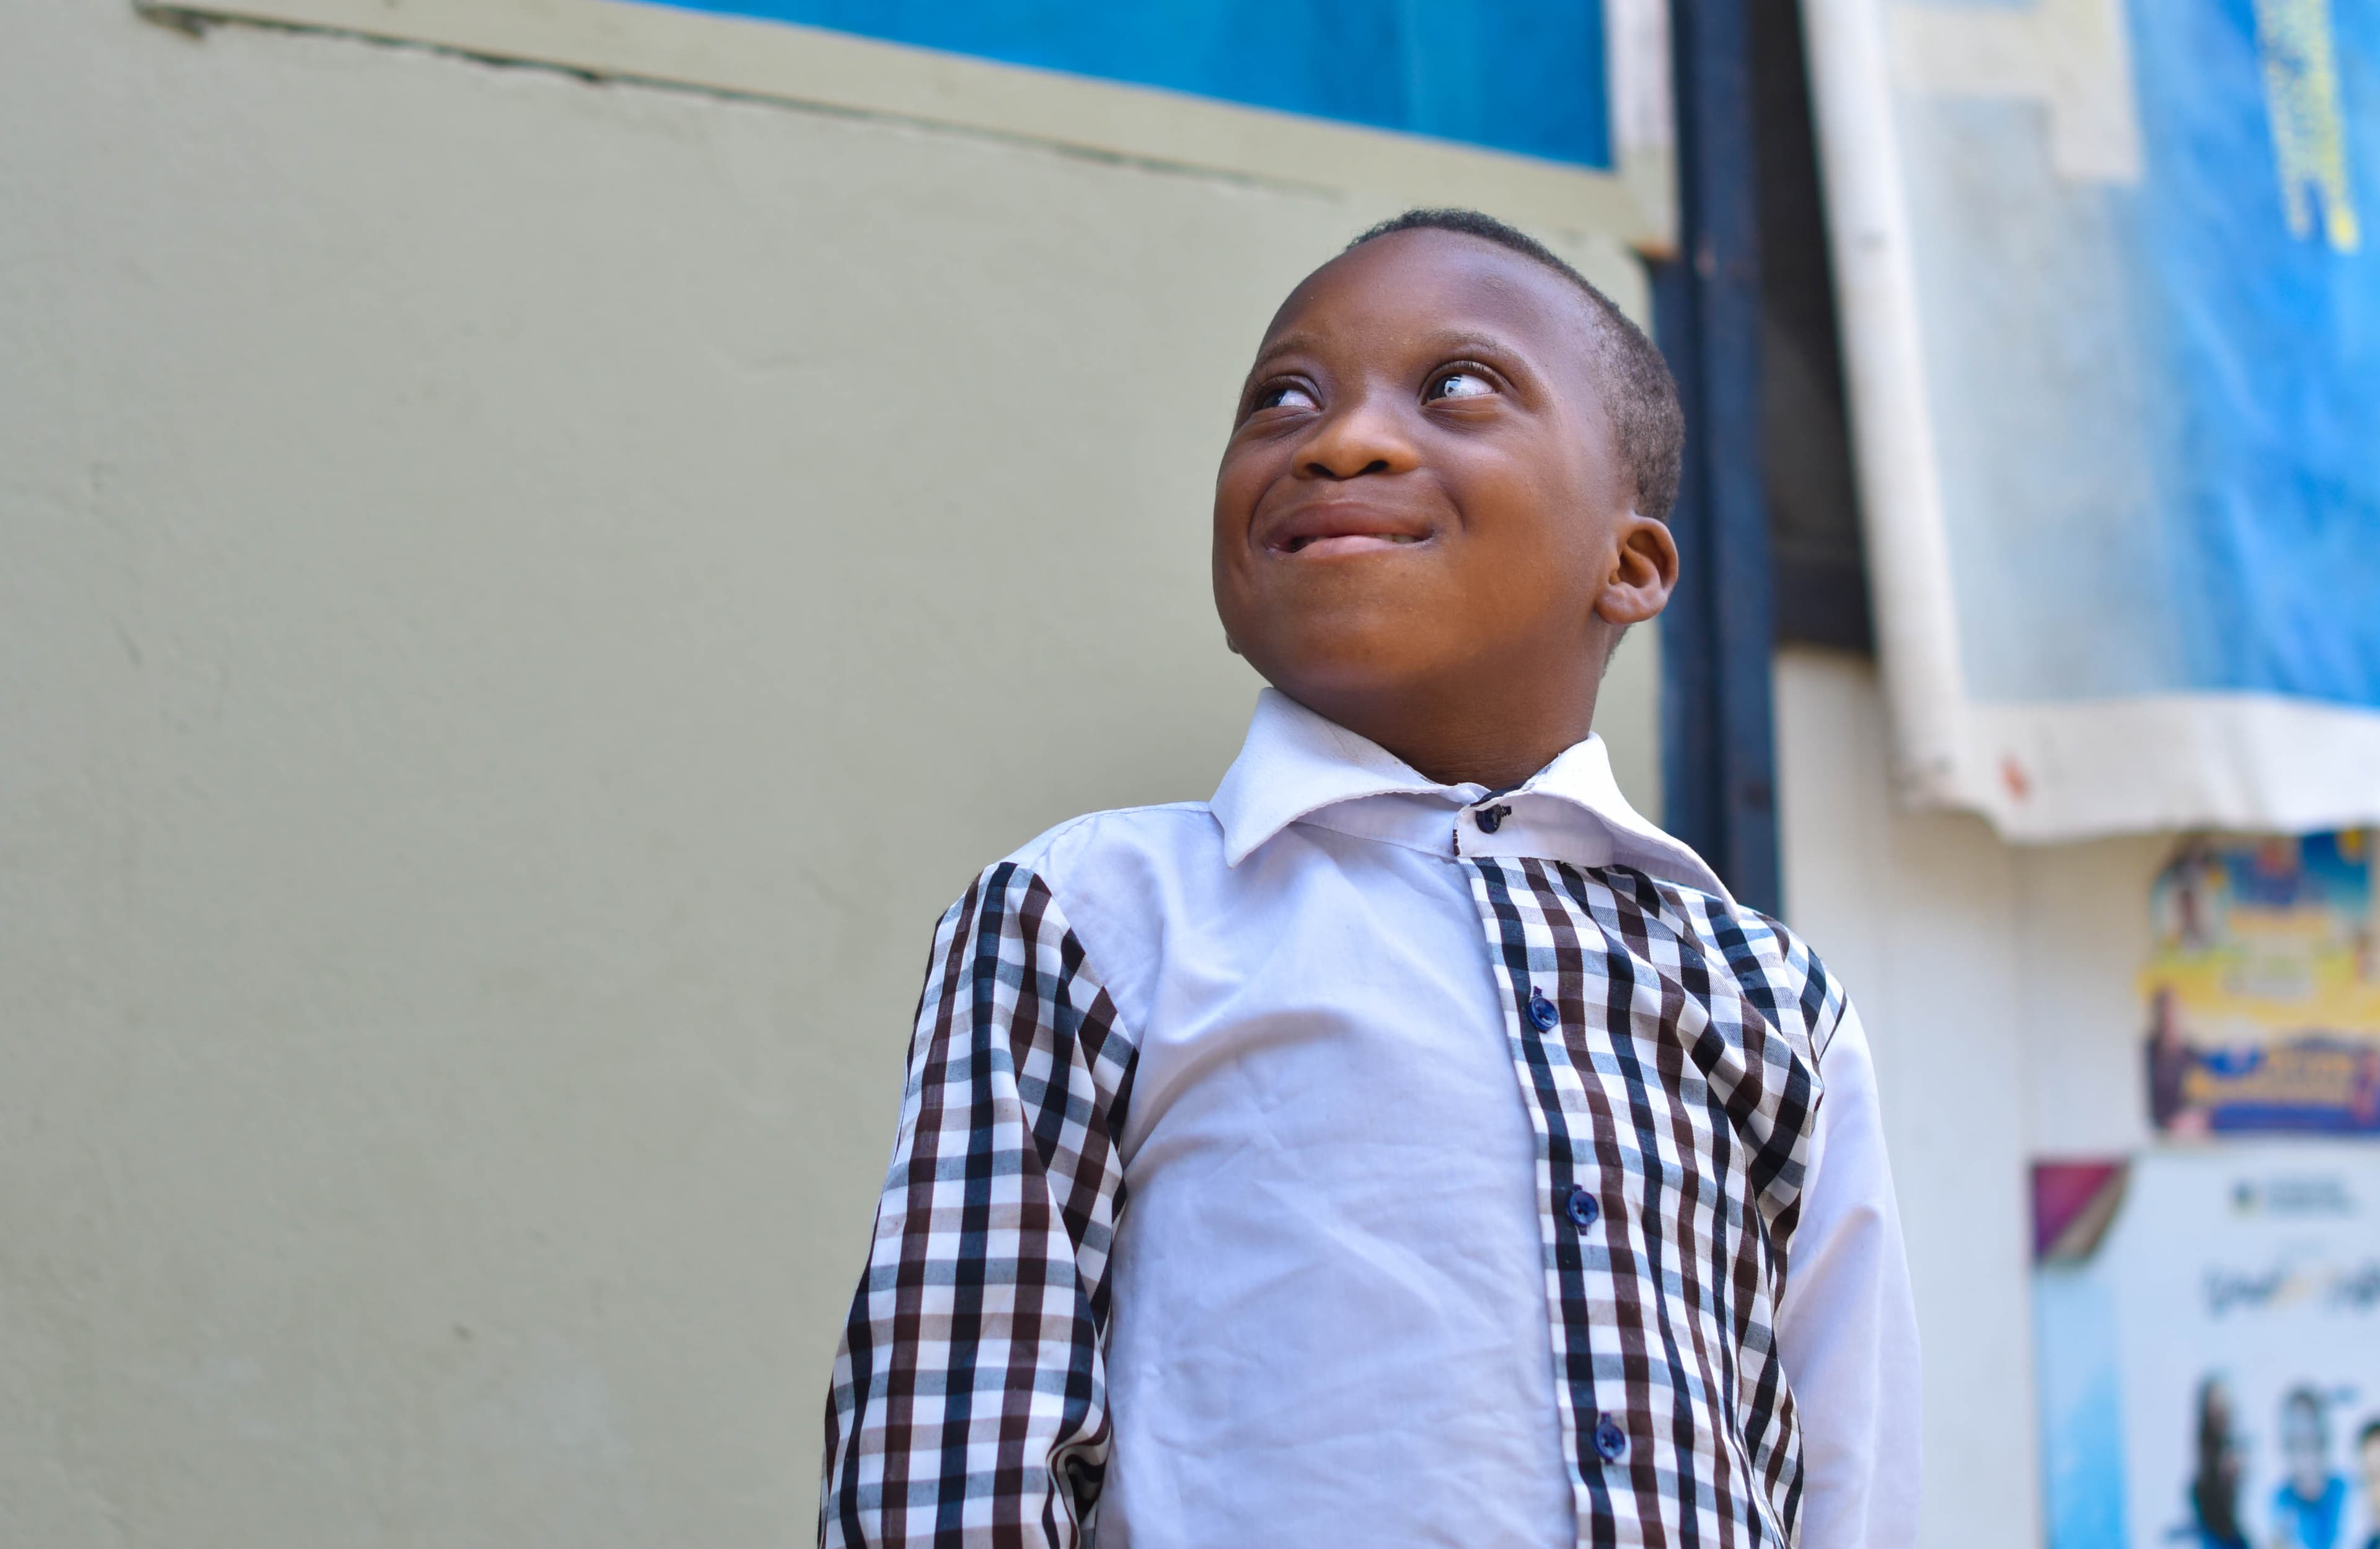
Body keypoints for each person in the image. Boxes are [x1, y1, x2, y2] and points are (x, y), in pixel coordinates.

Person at [817, 209, 1922, 1548]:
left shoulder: (1767, 998)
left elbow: (1852, 1481)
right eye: (1284, 398)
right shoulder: (1093, 918)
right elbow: (947, 1472)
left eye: (1457, 387)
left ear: (1628, 567)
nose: (1338, 440)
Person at [2272, 1387, 2347, 1549]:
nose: (2304, 1450)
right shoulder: (2279, 1502)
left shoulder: (2345, 1491)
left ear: (2323, 1436)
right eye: (2296, 1439)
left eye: (2310, 1437)